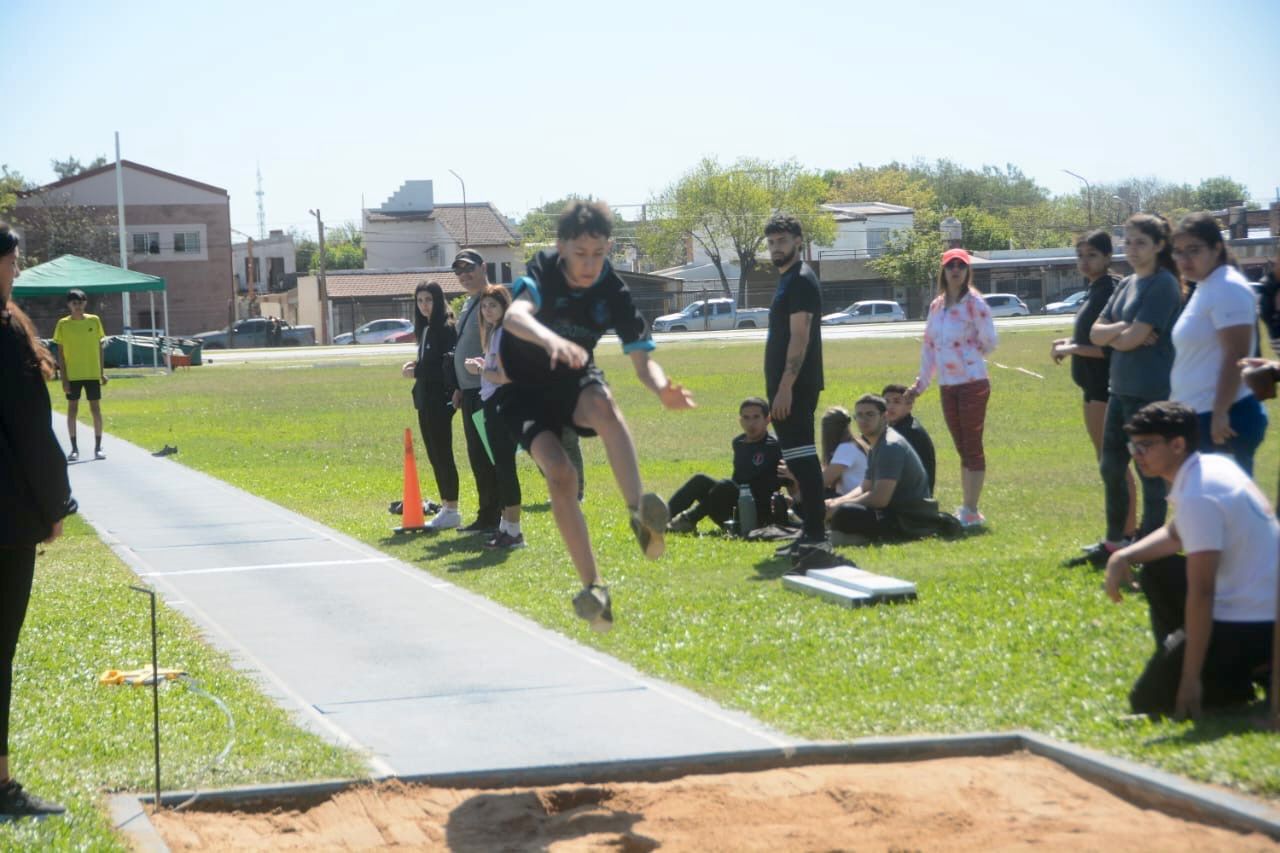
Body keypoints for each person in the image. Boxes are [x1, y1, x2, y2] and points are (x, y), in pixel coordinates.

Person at [499, 201, 694, 631]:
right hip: (523, 391)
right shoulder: (545, 270)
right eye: (581, 254)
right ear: (561, 246)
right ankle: (594, 587)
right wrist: (551, 341)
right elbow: (514, 317)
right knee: (560, 474)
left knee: (606, 407)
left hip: (573, 380)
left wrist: (662, 387)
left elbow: (643, 363)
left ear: (609, 248)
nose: (589, 265)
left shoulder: (612, 291)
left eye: (599, 254)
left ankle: (639, 513)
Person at [1104, 402, 1276, 718]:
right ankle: (1221, 674)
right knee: (1157, 570)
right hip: (1257, 611)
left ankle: (1229, 676)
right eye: (1134, 446)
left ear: (1178, 444)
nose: (1136, 455)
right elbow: (1175, 533)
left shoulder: (1200, 494)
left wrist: (1189, 678)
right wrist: (1124, 555)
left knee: (1150, 701)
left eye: (1145, 446)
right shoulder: (1211, 466)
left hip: (1255, 625)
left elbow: (1203, 593)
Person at [0, 223, 75, 819]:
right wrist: (55, 507)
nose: (17, 271)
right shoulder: (5, 334)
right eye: (14, 260)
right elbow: (31, 432)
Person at [1089, 214, 1183, 563]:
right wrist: (1124, 330)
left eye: (1140, 242)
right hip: (1120, 389)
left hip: (1150, 393)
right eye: (1127, 242)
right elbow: (1097, 334)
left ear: (1160, 246)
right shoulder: (1127, 284)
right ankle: (1116, 542)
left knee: (1151, 474)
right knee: (1110, 467)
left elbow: (1131, 339)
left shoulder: (1163, 284)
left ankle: (1152, 546)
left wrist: (1120, 333)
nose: (1132, 249)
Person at [1051, 230, 1137, 565]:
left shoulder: (1110, 289)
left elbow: (1109, 347)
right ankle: (1120, 535)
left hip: (1105, 389)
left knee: (1115, 465)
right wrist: (1067, 341)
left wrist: (1072, 347)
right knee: (1108, 463)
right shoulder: (1094, 289)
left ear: (1107, 257)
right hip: (1092, 390)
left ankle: (1124, 537)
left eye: (1092, 255)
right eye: (1080, 255)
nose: (1085, 262)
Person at [905, 248, 997, 527]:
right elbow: (929, 348)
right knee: (961, 446)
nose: (955, 269)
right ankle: (968, 507)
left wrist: (968, 353)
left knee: (972, 446)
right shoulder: (936, 306)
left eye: (961, 265)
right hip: (948, 385)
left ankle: (971, 509)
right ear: (943, 272)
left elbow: (990, 340)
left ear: (968, 271)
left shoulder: (975, 304)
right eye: (950, 265)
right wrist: (920, 385)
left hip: (972, 383)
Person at [1170, 212, 1266, 474]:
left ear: (1217, 248)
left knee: (1224, 508)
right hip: (1200, 414)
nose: (1184, 259)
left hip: (1223, 417)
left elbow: (1235, 356)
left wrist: (1221, 412)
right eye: (1178, 252)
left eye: (1193, 250)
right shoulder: (1207, 285)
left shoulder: (1227, 287)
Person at [762, 214, 830, 565]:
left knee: (804, 463)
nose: (776, 248)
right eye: (772, 242)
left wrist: (786, 387)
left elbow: (800, 336)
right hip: (783, 388)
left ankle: (818, 537)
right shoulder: (788, 280)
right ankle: (809, 531)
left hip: (796, 387)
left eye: (783, 241)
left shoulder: (801, 280)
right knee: (799, 461)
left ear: (799, 242)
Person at [825, 394, 936, 545]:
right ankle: (842, 535)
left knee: (846, 512)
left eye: (870, 414)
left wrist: (841, 506)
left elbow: (880, 499)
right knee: (834, 505)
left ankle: (849, 537)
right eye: (859, 415)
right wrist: (837, 501)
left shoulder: (890, 446)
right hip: (891, 512)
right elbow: (865, 486)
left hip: (908, 519)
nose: (864, 420)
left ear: (884, 417)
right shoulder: (875, 445)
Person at [465, 284, 525, 549]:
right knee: (501, 467)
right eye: (485, 306)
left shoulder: (503, 333)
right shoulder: (494, 333)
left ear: (504, 307)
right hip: (494, 401)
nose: (488, 311)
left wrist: (480, 371)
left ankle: (514, 532)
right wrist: (482, 365)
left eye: (493, 306)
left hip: (502, 402)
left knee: (505, 467)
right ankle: (505, 527)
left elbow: (504, 375)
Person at [667, 397, 782, 535]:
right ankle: (660, 519)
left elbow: (792, 480)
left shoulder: (775, 446)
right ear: (740, 421)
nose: (751, 423)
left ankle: (688, 519)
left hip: (756, 516)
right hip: (732, 510)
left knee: (726, 485)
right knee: (700, 480)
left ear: (767, 419)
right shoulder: (738, 443)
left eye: (756, 417)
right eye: (746, 418)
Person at [401, 281, 461, 529]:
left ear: (438, 300)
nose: (424, 305)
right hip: (426, 398)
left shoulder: (445, 328)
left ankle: (451, 508)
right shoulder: (425, 328)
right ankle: (446, 505)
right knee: (434, 453)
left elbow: (444, 365)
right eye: (420, 300)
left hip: (440, 398)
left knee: (442, 452)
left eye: (429, 300)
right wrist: (417, 367)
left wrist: (417, 370)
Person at [450, 250, 502, 535]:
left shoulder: (492, 301)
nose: (464, 276)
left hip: (487, 391)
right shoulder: (471, 302)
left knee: (491, 457)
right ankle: (488, 515)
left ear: (483, 267)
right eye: (459, 272)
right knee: (477, 457)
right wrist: (458, 385)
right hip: (469, 391)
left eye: (469, 269)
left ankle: (497, 518)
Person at [52, 288, 107, 461]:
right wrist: (64, 377)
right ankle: (74, 449)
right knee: (72, 410)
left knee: (95, 409)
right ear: (69, 305)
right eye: (74, 303)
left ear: (85, 303)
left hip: (91, 373)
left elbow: (99, 347)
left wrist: (101, 373)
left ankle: (98, 447)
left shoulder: (94, 321)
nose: (78, 306)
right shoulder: (63, 324)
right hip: (73, 375)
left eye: (81, 302)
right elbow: (60, 352)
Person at [881, 383, 936, 496]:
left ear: (909, 406)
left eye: (897, 402)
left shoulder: (910, 432)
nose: (890, 407)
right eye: (886, 401)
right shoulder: (893, 427)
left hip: (912, 501)